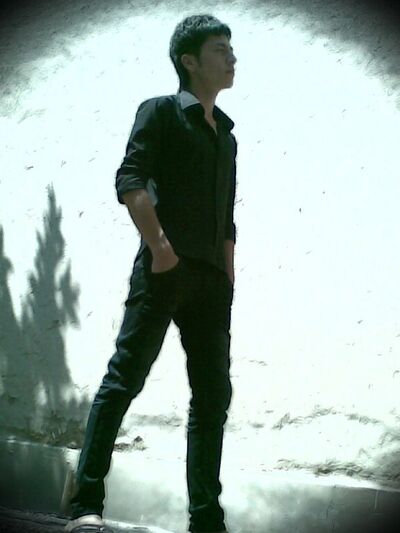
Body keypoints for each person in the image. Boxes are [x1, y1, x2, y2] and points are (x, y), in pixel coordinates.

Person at [65, 13, 238, 533]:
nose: (232, 58)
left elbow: (226, 216)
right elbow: (131, 179)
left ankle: (206, 519)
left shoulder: (227, 136)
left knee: (213, 398)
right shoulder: (160, 111)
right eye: (220, 49)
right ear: (190, 61)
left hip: (211, 284)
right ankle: (84, 504)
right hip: (165, 272)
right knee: (124, 380)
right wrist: (161, 249)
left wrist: (228, 276)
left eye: (231, 49)